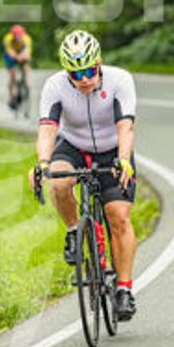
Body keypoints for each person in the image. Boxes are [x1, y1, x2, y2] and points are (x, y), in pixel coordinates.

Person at [30, 30, 138, 321]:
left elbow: (125, 126)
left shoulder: (120, 80)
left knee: (118, 216)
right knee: (58, 180)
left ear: (99, 63)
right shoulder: (54, 86)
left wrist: (124, 160)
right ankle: (73, 231)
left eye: (89, 71)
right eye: (75, 74)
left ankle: (124, 289)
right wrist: (42, 162)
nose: (84, 79)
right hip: (74, 146)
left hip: (112, 149)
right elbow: (48, 128)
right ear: (67, 72)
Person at [2, 24, 32, 109]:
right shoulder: (7, 39)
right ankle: (11, 97)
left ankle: (25, 82)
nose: (18, 38)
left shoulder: (27, 39)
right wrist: (17, 57)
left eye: (20, 36)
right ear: (13, 35)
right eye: (16, 36)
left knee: (26, 66)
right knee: (12, 77)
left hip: (21, 51)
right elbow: (10, 52)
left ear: (23, 35)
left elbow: (27, 52)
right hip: (10, 54)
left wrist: (23, 57)